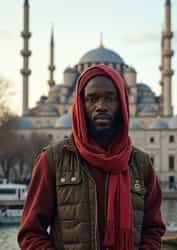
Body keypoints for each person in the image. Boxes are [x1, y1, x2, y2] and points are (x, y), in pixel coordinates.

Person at [18, 64, 165, 250]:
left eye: (110, 99)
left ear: (122, 104)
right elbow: (30, 233)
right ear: (81, 105)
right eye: (92, 99)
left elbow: (153, 229)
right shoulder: (53, 159)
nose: (101, 106)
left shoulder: (140, 163)